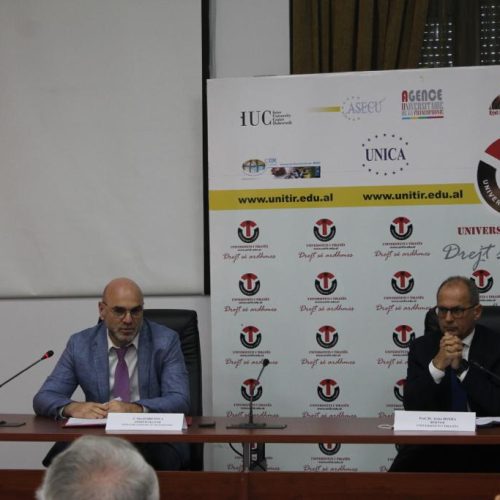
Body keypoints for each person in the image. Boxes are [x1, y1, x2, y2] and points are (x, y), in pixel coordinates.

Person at [33, 277, 190, 470]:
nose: (128, 320)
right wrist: (72, 407)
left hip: (152, 437)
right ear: (102, 310)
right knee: (65, 464)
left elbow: (179, 399)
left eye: (135, 311)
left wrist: (134, 409)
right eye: (119, 311)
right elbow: (44, 397)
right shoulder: (80, 344)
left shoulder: (165, 341)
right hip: (99, 437)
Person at [390, 275, 500, 472]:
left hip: (487, 444)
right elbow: (412, 405)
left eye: (457, 311)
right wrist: (437, 366)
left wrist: (462, 370)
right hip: (433, 445)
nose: (448, 319)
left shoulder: (496, 346)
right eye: (442, 310)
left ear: (476, 312)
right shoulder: (422, 347)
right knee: (390, 483)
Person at [36, 435, 160, 500]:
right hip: (96, 428)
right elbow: (45, 397)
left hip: (151, 434)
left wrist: (138, 408)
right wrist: (70, 407)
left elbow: (172, 400)